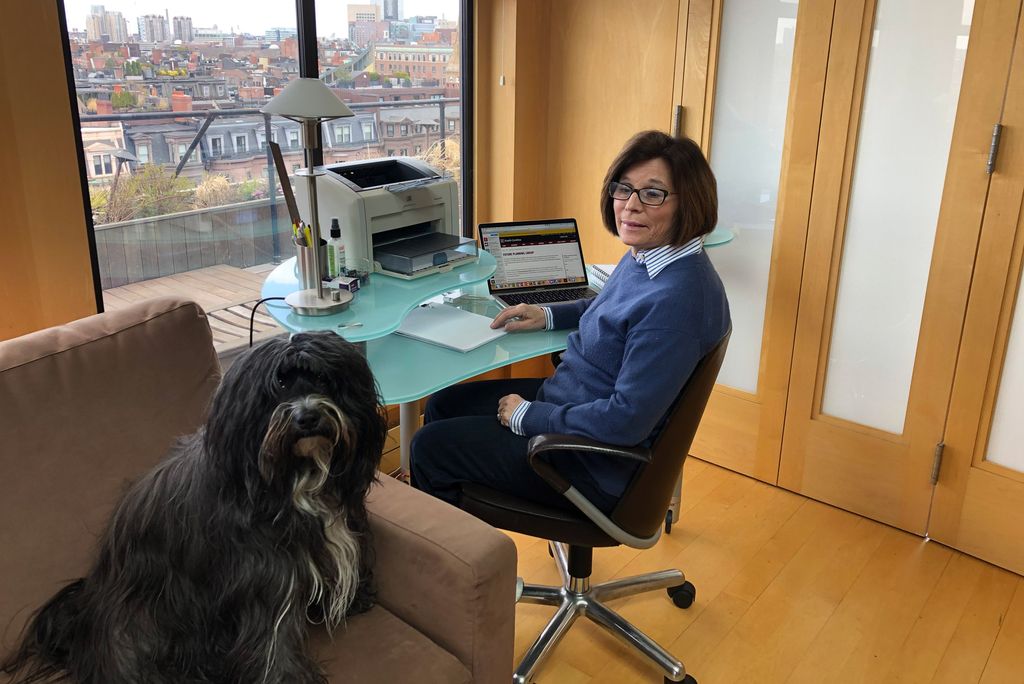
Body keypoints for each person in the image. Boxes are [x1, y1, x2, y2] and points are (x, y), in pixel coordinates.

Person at [410, 130, 731, 514]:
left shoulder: (676, 303)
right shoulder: (652, 257)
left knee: (429, 448)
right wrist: (546, 314)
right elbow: (614, 311)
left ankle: (468, 565)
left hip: (590, 464)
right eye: (623, 188)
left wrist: (530, 416)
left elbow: (625, 421)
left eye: (653, 193)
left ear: (689, 203)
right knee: (444, 404)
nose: (630, 206)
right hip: (575, 401)